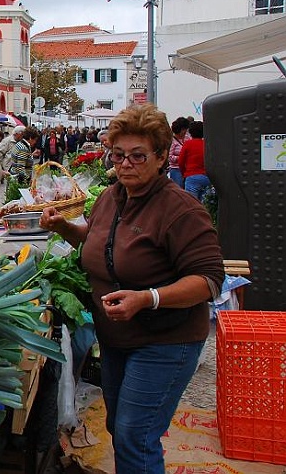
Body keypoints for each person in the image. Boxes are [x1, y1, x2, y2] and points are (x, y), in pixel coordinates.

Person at [39, 104, 223, 474]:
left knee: (135, 435)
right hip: (115, 338)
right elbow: (96, 244)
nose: (126, 164)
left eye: (138, 156)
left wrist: (147, 298)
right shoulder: (111, 198)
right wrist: (62, 227)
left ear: (159, 158)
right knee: (117, 426)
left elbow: (208, 280)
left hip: (165, 339)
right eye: (119, 155)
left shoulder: (181, 210)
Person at [179, 120, 209, 201]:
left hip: (192, 176)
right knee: (205, 204)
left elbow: (181, 162)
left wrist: (184, 174)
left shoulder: (188, 144)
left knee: (191, 203)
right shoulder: (207, 144)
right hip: (206, 177)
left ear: (191, 132)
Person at [168, 117, 190, 188]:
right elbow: (169, 157)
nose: (185, 131)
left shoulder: (187, 138)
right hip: (176, 169)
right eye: (184, 129)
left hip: (186, 169)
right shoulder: (172, 141)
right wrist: (181, 157)